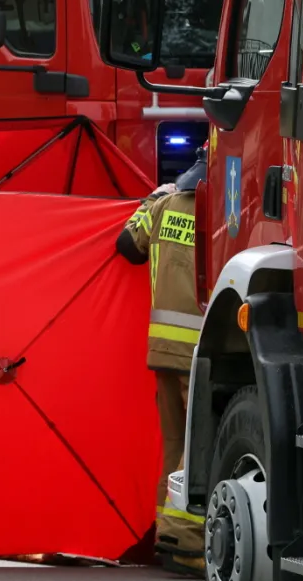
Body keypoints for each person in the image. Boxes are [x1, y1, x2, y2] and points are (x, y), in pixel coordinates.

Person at [116, 144, 207, 576]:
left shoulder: (162, 206)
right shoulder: (222, 214)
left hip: (161, 349)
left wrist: (151, 198)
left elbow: (127, 247)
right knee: (196, 445)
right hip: (200, 352)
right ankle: (185, 540)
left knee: (174, 444)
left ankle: (165, 536)